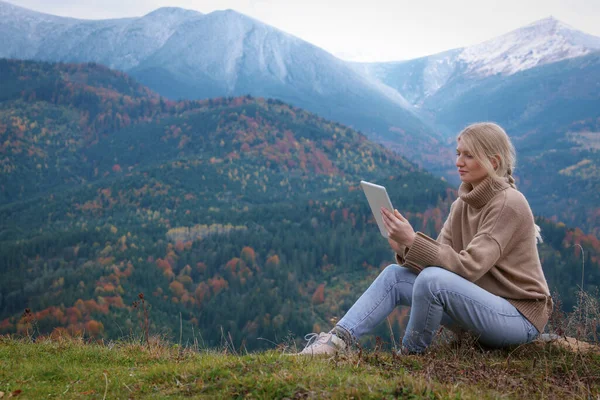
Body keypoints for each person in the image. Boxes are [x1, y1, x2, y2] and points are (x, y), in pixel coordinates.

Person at [296, 122, 553, 355]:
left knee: (433, 281)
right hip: (480, 307)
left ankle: (409, 357)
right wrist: (406, 246)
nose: (458, 162)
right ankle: (336, 343)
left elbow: (469, 267)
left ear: (494, 162)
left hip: (518, 318)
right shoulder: (462, 205)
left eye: (468, 155)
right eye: (458, 153)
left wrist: (414, 241)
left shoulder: (508, 203)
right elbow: (439, 261)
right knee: (394, 276)